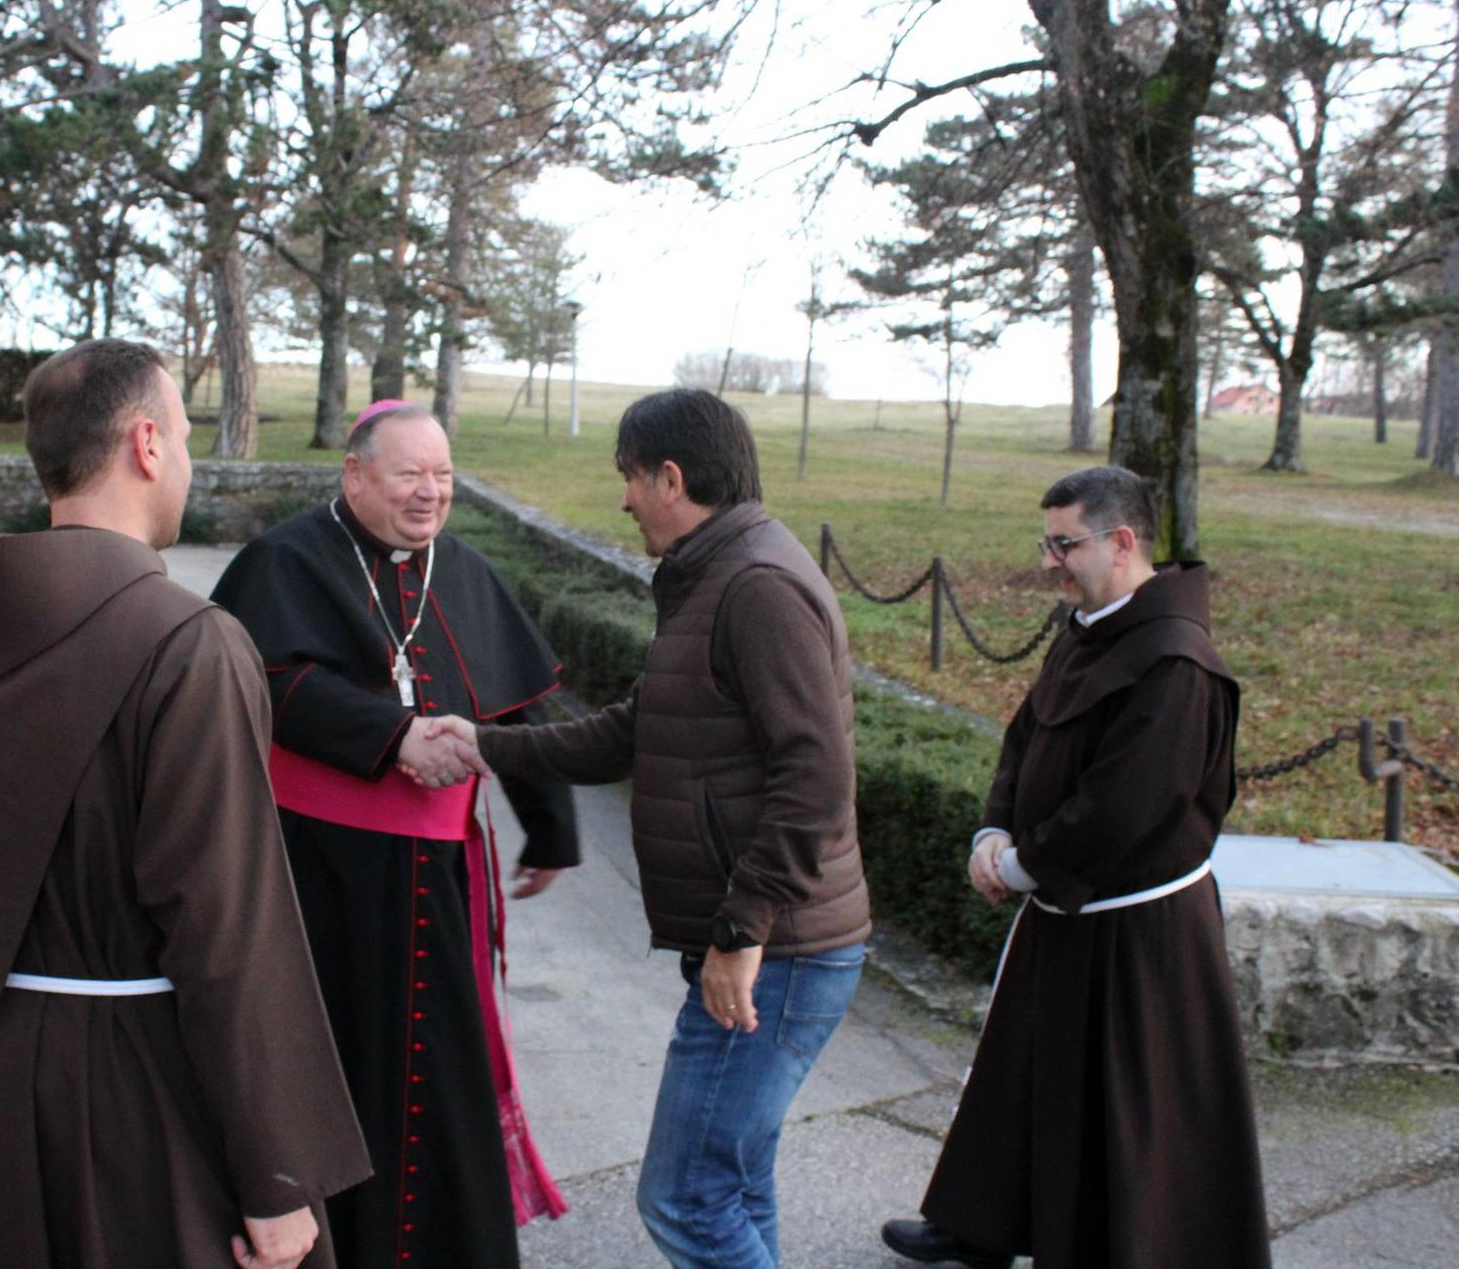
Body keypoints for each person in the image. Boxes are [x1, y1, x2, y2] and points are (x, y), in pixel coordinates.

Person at [0, 339, 370, 1269]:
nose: (189, 461)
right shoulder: (190, 644)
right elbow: (226, 932)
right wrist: (277, 1175)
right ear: (147, 444)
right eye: (188, 437)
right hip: (140, 1105)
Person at [435, 386, 869, 1269]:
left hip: (775, 953)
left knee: (683, 1197)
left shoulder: (756, 587)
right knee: (734, 1182)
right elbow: (635, 729)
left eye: (628, 477)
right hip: (770, 946)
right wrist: (486, 746)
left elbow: (816, 779)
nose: (622, 498)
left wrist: (743, 929)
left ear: (670, 477)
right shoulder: (715, 574)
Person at [208, 400, 578, 1269]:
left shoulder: (464, 568)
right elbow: (264, 679)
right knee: (340, 1067)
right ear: (355, 472)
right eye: (410, 473)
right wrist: (389, 734)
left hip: (438, 876)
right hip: (323, 872)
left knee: (443, 1075)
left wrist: (553, 829)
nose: (429, 493)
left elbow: (520, 698)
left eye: (443, 476)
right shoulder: (285, 560)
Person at [879, 466, 1271, 1269]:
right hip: (1062, 904)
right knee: (1021, 1075)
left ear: (1122, 542)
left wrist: (1022, 865)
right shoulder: (1089, 625)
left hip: (1138, 932)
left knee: (1124, 1107)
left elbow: (1125, 806)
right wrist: (992, 831)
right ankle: (980, 1222)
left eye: (1065, 544)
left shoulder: (1175, 662)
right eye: (1046, 542)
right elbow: (1027, 737)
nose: (1050, 562)